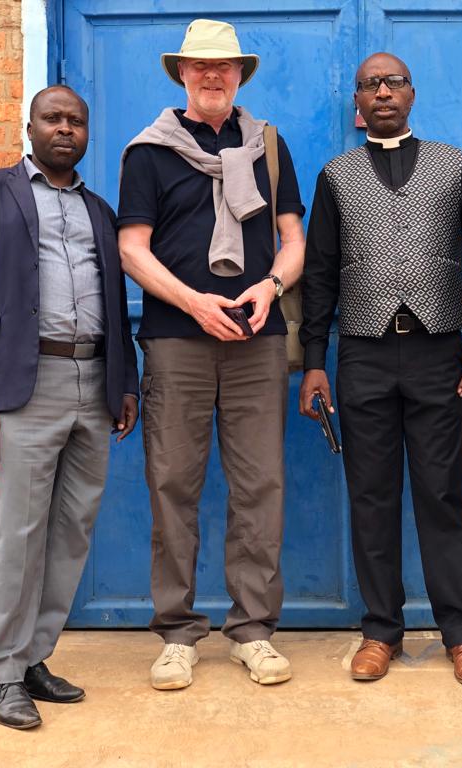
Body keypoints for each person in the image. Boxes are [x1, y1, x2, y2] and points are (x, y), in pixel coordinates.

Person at [299, 52, 462, 686]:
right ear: (358, 104)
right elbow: (318, 277)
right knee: (371, 496)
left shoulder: (450, 166)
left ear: (412, 94)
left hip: (436, 353)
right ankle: (380, 630)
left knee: (441, 494)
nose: (383, 92)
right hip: (363, 355)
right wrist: (316, 362)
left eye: (393, 83)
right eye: (370, 85)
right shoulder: (336, 176)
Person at [0, 85, 139, 730]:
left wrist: (125, 383)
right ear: (29, 126)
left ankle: (33, 659)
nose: (64, 129)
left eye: (76, 121)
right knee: (15, 534)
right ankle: (0, 673)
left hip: (92, 382)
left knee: (71, 529)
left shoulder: (101, 212)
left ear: (87, 132)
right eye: (52, 118)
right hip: (22, 385)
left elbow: (116, 307)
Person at [117, 19, 306, 690]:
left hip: (258, 345)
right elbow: (132, 248)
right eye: (200, 66)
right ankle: (177, 633)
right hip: (176, 343)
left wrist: (271, 285)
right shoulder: (149, 153)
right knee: (173, 487)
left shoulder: (270, 148)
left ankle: (253, 631)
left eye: (224, 66)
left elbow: (292, 239)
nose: (212, 75)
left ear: (241, 75)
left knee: (261, 487)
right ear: (181, 74)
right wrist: (194, 301)